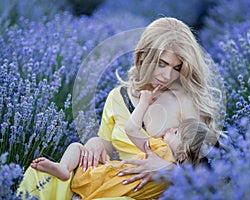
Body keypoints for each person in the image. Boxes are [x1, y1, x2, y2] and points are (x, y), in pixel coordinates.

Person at [18, 17, 223, 199]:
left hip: (149, 192)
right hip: (112, 176)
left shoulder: (186, 101)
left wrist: (169, 169)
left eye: (176, 68)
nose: (168, 76)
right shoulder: (117, 97)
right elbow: (110, 146)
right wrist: (95, 142)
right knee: (39, 176)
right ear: (143, 57)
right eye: (162, 64)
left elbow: (205, 166)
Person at [30, 87, 218, 199]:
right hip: (109, 193)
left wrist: (143, 102)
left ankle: (63, 168)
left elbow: (131, 129)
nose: (169, 130)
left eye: (175, 132)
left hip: (93, 178)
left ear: (182, 154)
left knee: (76, 147)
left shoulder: (160, 149)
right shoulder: (174, 185)